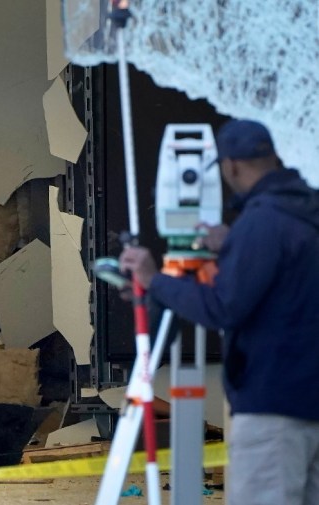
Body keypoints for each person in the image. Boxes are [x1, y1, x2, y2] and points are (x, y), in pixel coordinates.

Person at [119, 119, 319, 504]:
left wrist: (153, 279)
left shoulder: (261, 222)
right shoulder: (303, 213)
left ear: (229, 166)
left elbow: (222, 307)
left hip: (272, 409)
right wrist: (235, 246)